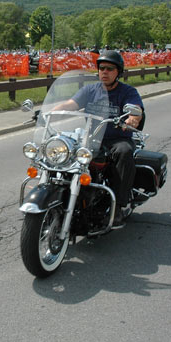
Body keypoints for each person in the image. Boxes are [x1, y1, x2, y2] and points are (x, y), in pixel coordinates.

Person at [53, 50, 143, 227]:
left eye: (110, 68)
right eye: (102, 68)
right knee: (64, 150)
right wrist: (50, 112)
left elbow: (136, 110)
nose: (105, 72)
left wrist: (132, 119)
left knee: (124, 152)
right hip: (91, 138)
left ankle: (118, 207)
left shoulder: (127, 92)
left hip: (117, 139)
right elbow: (71, 104)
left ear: (118, 72)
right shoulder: (90, 90)